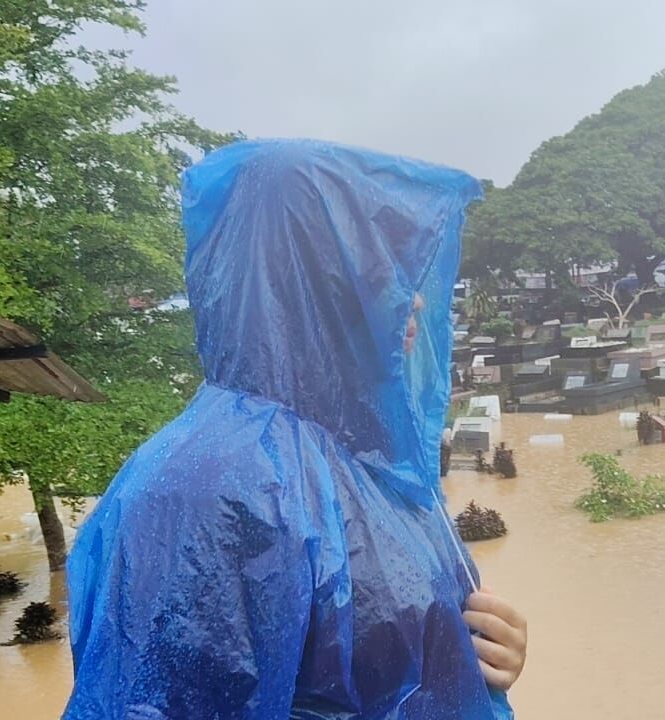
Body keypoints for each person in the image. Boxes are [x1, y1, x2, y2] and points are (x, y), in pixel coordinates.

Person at [63, 139, 525, 719]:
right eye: (379, 269)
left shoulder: (372, 459)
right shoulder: (206, 489)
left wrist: (482, 658)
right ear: (299, 278)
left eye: (408, 269)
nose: (412, 302)